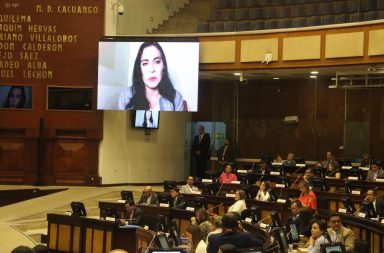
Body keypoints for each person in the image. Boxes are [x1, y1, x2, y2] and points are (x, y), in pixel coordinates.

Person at [118, 42, 184, 111]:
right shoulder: (125, 95)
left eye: (157, 62)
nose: (152, 69)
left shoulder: (176, 97)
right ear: (139, 68)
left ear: (164, 66)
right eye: (145, 63)